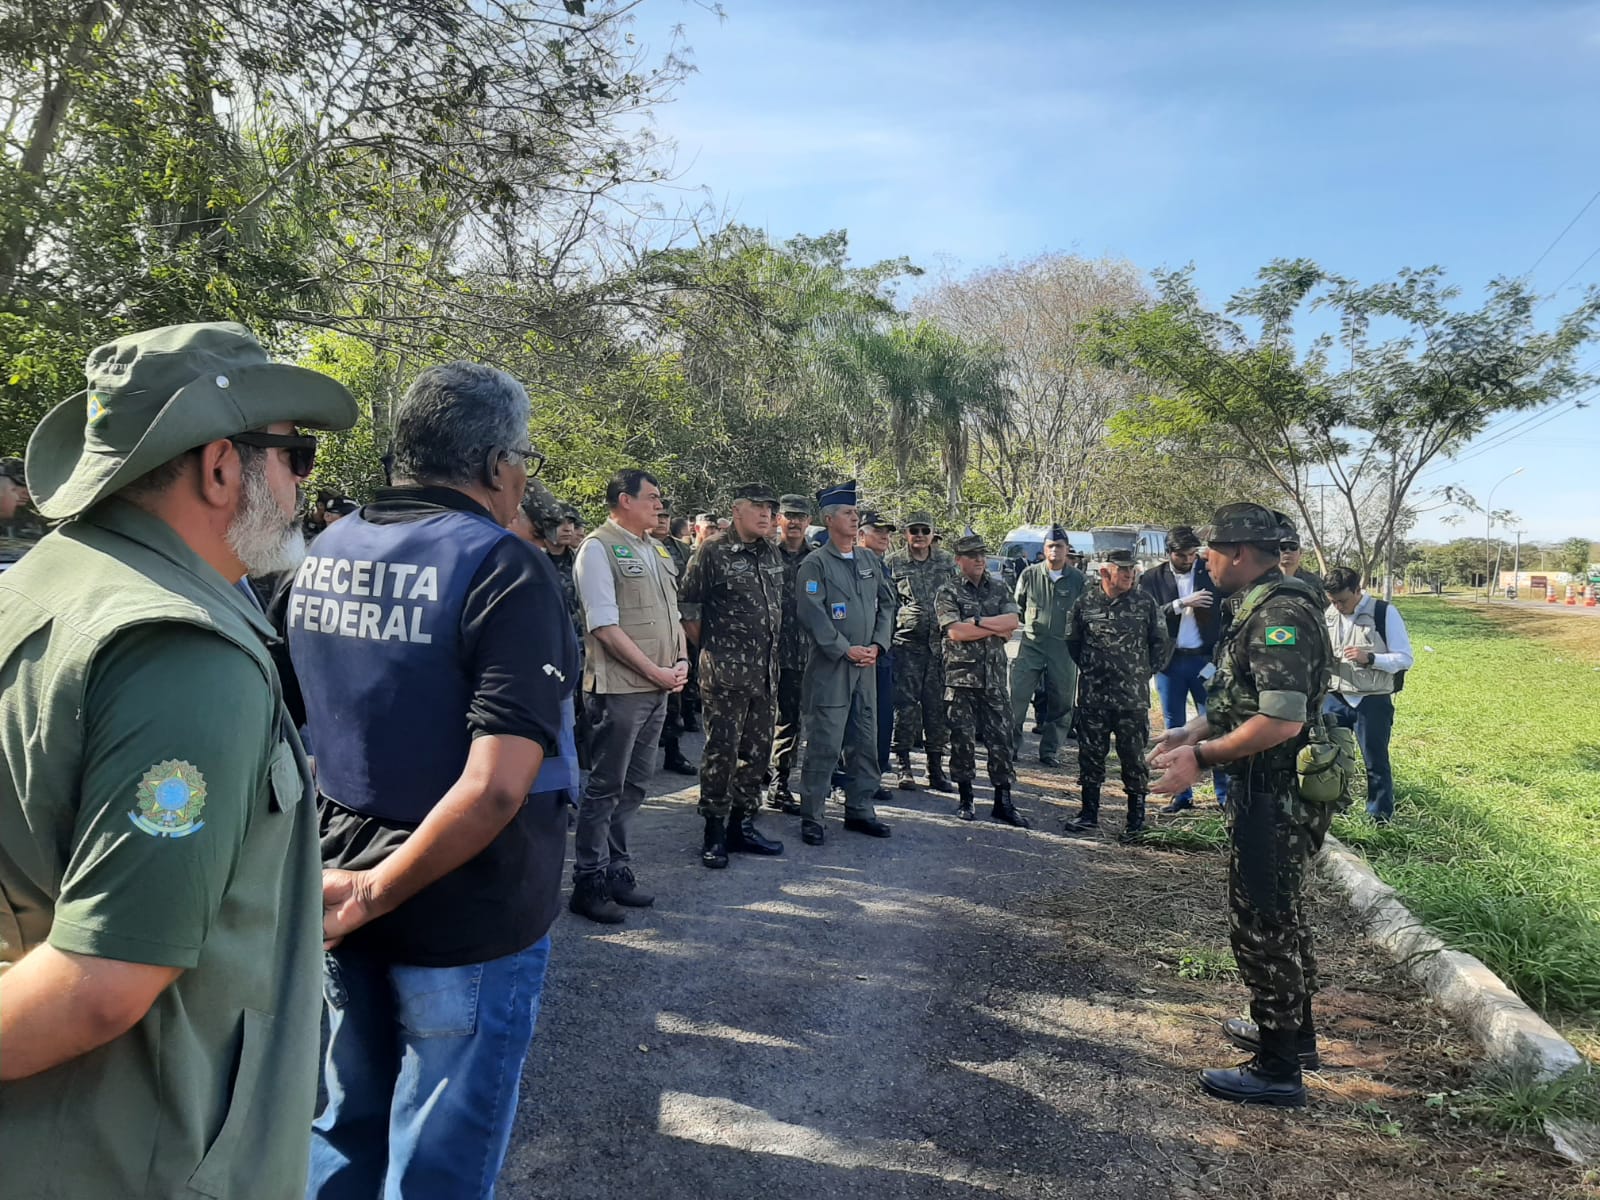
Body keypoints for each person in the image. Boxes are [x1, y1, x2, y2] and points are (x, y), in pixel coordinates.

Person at [0, 321, 356, 1198]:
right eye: (295, 455)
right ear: (221, 466)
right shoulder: (180, 649)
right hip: (142, 1153)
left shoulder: (44, 582)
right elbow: (101, 983)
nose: (304, 482)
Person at [287, 363, 575, 1198]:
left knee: (341, 1127)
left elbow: (289, 718)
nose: (525, 475)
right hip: (459, 909)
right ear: (494, 465)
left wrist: (354, 890)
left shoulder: (323, 551)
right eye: (523, 456)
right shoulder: (502, 567)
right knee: (439, 1161)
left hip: (337, 887)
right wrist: (380, 891)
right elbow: (494, 787)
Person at [1149, 503, 1334, 1107]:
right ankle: (1291, 1034)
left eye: (1211, 549)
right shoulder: (1258, 606)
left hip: (1275, 792)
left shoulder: (1280, 613)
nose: (1204, 558)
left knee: (1263, 920)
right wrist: (1191, 732)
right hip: (1265, 787)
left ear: (1239, 553)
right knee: (1282, 911)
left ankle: (1278, 1069)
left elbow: (1280, 720)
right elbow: (1241, 701)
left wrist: (1200, 761)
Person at [569, 469, 687, 922]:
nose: (660, 506)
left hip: (657, 686)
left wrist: (680, 660)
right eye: (652, 498)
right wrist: (654, 670)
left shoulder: (653, 549)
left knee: (636, 783)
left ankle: (618, 869)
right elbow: (603, 625)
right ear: (624, 500)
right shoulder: (597, 549)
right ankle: (588, 879)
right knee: (605, 786)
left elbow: (671, 614)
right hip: (620, 690)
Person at [679, 482, 787, 866]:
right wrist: (714, 650)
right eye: (758, 507)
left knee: (756, 753)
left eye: (770, 509)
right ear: (736, 510)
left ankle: (742, 824)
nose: (766, 515)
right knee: (721, 752)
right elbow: (689, 610)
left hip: (765, 674)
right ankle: (714, 831)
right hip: (726, 674)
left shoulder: (770, 551)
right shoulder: (712, 551)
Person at [794, 481, 895, 845]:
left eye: (856, 514)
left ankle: (860, 809)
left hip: (866, 666)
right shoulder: (815, 564)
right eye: (849, 514)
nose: (856, 519)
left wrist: (878, 645)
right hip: (831, 668)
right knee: (825, 741)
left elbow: (888, 605)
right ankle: (813, 815)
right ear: (829, 519)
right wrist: (843, 647)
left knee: (865, 738)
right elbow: (812, 613)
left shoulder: (870, 559)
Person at [1063, 548, 1170, 841]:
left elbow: (1161, 643)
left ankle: (1136, 821)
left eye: (1132, 569)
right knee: (1090, 756)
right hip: (1094, 696)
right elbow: (1073, 641)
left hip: (1131, 699)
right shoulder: (1085, 602)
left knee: (1133, 758)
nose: (1129, 574)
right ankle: (1088, 814)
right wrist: (1093, 669)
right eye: (1123, 570)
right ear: (1104, 572)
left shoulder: (1145, 603)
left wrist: (1141, 673)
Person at [935, 531, 1028, 825]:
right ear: (958, 560)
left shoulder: (999, 589)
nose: (978, 560)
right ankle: (966, 799)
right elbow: (955, 632)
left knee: (1001, 740)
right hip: (960, 680)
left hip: (994, 680)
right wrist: (991, 627)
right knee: (962, 742)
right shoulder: (947, 592)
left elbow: (1012, 622)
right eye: (972, 556)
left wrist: (975, 622)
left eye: (982, 555)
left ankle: (1004, 800)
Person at [1139, 524, 1231, 813]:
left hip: (1204, 660)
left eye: (1192, 554)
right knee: (1174, 726)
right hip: (1171, 662)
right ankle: (1181, 795)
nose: (1188, 559)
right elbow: (1148, 615)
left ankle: (1224, 796)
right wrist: (1181, 603)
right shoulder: (1152, 578)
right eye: (1182, 555)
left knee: (1215, 722)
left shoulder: (1209, 573)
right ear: (1169, 554)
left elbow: (1228, 610)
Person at [1322, 566, 1412, 824]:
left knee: (1375, 761)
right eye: (1333, 601)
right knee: (1331, 760)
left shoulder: (1384, 613)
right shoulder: (1329, 614)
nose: (1339, 606)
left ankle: (1379, 816)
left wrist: (1369, 658)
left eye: (1343, 600)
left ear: (1358, 591)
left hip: (1371, 700)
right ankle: (1336, 811)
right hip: (1335, 696)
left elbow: (1405, 658)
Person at [885, 508, 957, 792]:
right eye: (914, 531)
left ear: (932, 534)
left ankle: (935, 767)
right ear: (905, 534)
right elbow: (887, 605)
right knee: (905, 707)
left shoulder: (946, 562)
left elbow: (955, 598)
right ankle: (903, 765)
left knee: (936, 708)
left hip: (938, 648)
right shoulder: (893, 563)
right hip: (906, 647)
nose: (919, 536)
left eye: (924, 531)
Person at [1010, 525, 1087, 767]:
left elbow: (1086, 614)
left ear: (1067, 550)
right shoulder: (1030, 575)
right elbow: (1017, 608)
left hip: (1063, 649)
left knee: (1062, 701)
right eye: (1051, 546)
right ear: (1044, 549)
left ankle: (1050, 750)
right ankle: (1010, 747)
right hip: (1032, 644)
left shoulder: (1078, 580)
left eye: (1060, 546)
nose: (1055, 551)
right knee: (1017, 697)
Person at [768, 493, 815, 813]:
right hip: (763, 652)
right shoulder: (764, 555)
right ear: (778, 520)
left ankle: (780, 782)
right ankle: (752, 775)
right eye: (789, 516)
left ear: (809, 522)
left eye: (800, 516)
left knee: (789, 721)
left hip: (801, 655)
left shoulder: (818, 560)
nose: (794, 521)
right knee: (754, 720)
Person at [654, 500, 698, 776]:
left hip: (676, 627)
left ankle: (673, 751)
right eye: (657, 515)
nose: (661, 521)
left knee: (675, 696)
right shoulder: (634, 546)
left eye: (666, 516)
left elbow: (692, 591)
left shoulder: (683, 550)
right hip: (643, 629)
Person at [857, 509, 899, 799]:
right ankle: (844, 777)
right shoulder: (849, 562)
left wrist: (880, 646)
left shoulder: (884, 567)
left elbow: (888, 610)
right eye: (878, 530)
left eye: (887, 531)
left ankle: (874, 776)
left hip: (881, 653)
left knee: (882, 717)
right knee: (853, 719)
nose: (885, 536)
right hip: (855, 653)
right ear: (861, 534)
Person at [1279, 528, 1328, 609]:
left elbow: (1329, 610)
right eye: (1283, 547)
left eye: (1293, 547)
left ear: (1300, 552)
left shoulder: (1315, 582)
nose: (1287, 551)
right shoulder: (1263, 582)